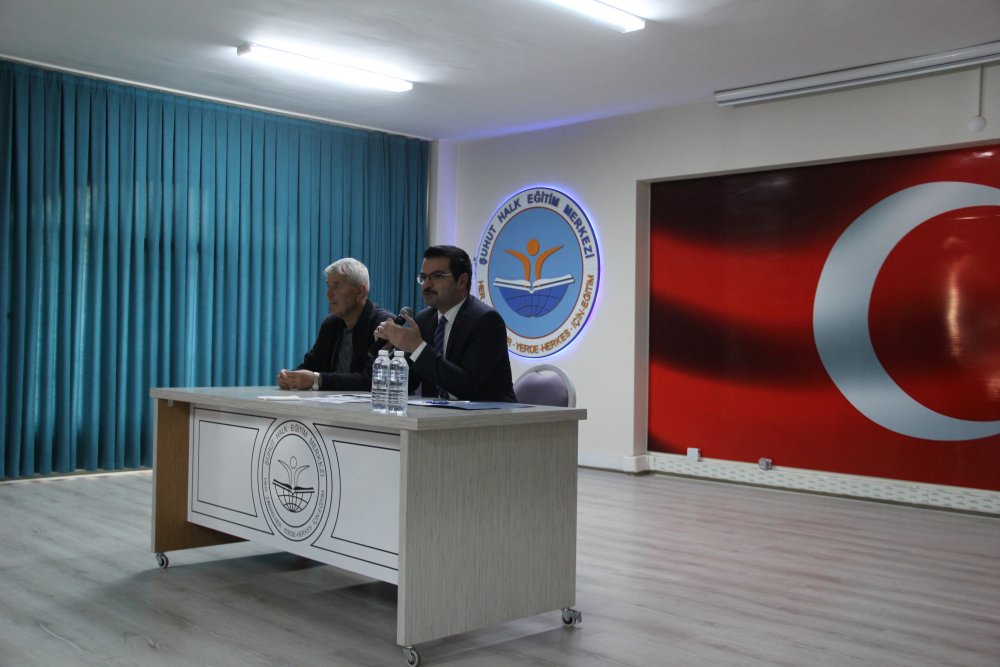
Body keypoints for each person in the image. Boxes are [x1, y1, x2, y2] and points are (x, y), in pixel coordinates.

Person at [374, 245, 516, 402]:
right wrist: (390, 352)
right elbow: (407, 384)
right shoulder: (424, 320)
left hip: (489, 414)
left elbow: (466, 386)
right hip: (439, 413)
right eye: (423, 277)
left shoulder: (486, 321)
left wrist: (417, 347)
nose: (426, 285)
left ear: (462, 281)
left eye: (437, 276)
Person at [277, 258, 393, 391]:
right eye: (329, 286)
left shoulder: (384, 325)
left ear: (360, 291)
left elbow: (374, 379)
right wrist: (289, 377)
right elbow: (312, 365)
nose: (329, 294)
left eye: (337, 286)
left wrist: (318, 380)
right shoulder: (331, 324)